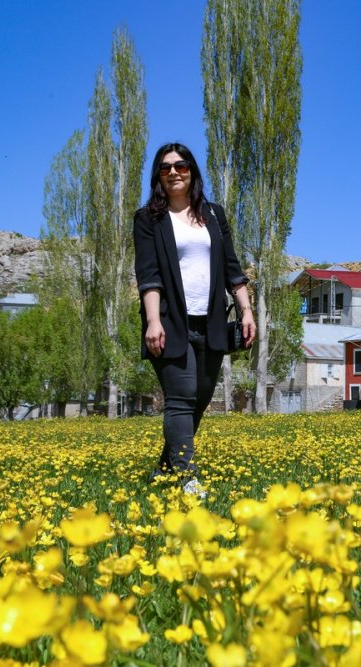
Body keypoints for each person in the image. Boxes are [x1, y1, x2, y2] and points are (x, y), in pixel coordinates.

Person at [133, 142, 255, 496]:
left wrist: (246, 310)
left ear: (192, 172)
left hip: (212, 320)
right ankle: (187, 478)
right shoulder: (148, 220)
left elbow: (233, 268)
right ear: (158, 176)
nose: (173, 172)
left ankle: (163, 470)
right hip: (171, 321)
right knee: (181, 397)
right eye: (165, 167)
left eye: (181, 166)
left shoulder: (213, 215)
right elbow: (149, 274)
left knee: (199, 399)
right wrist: (153, 321)